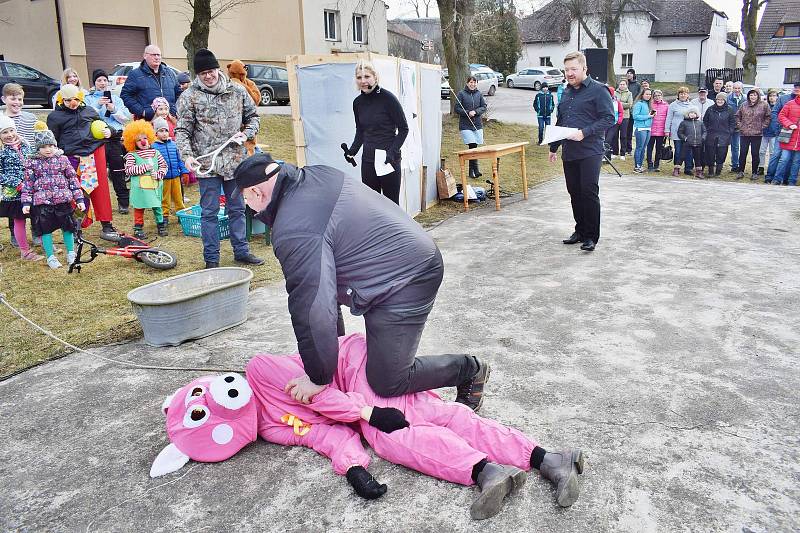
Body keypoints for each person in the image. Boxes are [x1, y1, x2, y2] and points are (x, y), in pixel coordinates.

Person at [151, 333, 586, 518]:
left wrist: (368, 415)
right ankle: (548, 459)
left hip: (352, 363)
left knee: (389, 435)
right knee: (439, 414)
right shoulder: (270, 428)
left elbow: (319, 393)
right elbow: (322, 434)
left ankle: (484, 471)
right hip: (355, 396)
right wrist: (353, 467)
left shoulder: (259, 368)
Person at [231, 153, 491, 410]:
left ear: (256, 192)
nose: (247, 207)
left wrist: (317, 377)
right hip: (395, 262)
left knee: (388, 380)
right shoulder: (316, 175)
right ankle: (333, 366)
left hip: (408, 278)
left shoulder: (295, 229)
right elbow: (325, 292)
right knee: (328, 316)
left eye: (244, 199)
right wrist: (329, 365)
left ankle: (469, 370)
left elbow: (311, 306)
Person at [175, 48, 263, 269]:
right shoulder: (189, 97)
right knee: (210, 212)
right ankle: (211, 259)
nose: (208, 75)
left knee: (237, 208)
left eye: (211, 70)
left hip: (235, 160)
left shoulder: (237, 91)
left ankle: (241, 251)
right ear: (198, 75)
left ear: (217, 69)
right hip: (207, 164)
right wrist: (186, 156)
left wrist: (248, 133)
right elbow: (182, 131)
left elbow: (253, 117)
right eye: (203, 72)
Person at [548, 51, 615, 252]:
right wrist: (553, 147)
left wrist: (585, 133)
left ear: (584, 69)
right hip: (569, 152)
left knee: (588, 192)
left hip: (590, 151)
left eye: (573, 69)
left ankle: (591, 236)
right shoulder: (566, 91)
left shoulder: (599, 90)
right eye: (566, 69)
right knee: (574, 193)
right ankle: (580, 230)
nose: (569, 73)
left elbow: (608, 118)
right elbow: (562, 121)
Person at [46, 84, 120, 241]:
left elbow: (104, 126)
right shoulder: (54, 117)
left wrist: (110, 131)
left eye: (75, 99)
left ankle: (106, 225)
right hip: (72, 157)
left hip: (95, 153)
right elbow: (52, 140)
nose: (72, 103)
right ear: (61, 100)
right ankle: (76, 226)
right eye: (67, 100)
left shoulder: (89, 111)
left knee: (101, 191)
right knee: (77, 192)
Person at [344, 61, 409, 205]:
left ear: (375, 77)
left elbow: (404, 129)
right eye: (359, 77)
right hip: (368, 161)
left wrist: (392, 152)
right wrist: (352, 151)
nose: (363, 81)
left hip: (387, 160)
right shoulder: (358, 103)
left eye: (367, 76)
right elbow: (361, 130)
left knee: (391, 207)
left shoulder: (388, 99)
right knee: (371, 206)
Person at [21, 128, 85, 269]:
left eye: (50, 146)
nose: (48, 149)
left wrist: (79, 199)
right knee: (45, 230)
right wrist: (26, 201)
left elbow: (73, 179)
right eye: (43, 147)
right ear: (37, 148)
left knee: (68, 228)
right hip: (42, 202)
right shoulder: (31, 162)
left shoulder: (63, 159)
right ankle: (50, 256)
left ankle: (71, 253)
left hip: (63, 200)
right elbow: (27, 183)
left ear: (55, 145)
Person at [84, 69, 132, 214]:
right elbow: (87, 117)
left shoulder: (116, 99)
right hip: (96, 140)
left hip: (114, 138)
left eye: (104, 80)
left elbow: (125, 118)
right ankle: (95, 205)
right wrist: (98, 105)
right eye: (99, 80)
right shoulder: (89, 98)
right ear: (94, 83)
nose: (102, 83)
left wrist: (113, 109)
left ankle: (123, 202)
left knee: (118, 171)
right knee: (96, 173)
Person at [0, 116, 42, 261]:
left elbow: (34, 161)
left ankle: (44, 242)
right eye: (4, 132)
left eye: (11, 130)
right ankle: (24, 251)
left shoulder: (26, 145)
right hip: (15, 192)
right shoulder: (2, 152)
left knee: (38, 215)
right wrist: (17, 183)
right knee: (19, 220)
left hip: (32, 189)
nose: (10, 135)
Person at [2, 82, 38, 248]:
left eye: (19, 99)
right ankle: (14, 234)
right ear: (4, 99)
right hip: (11, 171)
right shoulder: (2, 120)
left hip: (29, 164)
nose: (16, 102)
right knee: (15, 205)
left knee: (35, 203)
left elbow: (36, 140)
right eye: (12, 98)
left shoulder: (30, 117)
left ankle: (37, 231)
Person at [122, 120, 167, 238]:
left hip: (154, 185)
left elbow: (164, 166)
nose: (143, 141)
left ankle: (161, 225)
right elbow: (129, 170)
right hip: (140, 189)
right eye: (138, 140)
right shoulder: (132, 155)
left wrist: (158, 174)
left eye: (145, 138)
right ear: (133, 142)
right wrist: (144, 167)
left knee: (157, 206)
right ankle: (138, 228)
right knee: (139, 207)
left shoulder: (156, 153)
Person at [120, 44, 181, 121]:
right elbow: (126, 95)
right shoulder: (135, 74)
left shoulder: (170, 73)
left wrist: (174, 109)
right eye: (153, 55)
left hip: (170, 120)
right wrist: (142, 111)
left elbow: (179, 94)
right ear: (145, 56)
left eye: (159, 55)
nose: (157, 57)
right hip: (147, 122)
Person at [152, 117, 187, 224]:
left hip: (176, 176)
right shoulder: (153, 147)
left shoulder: (173, 144)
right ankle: (164, 216)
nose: (164, 133)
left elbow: (179, 159)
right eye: (161, 131)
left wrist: (184, 171)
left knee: (178, 197)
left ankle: (181, 214)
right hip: (163, 178)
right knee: (164, 198)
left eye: (166, 130)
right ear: (156, 133)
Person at [764, 83, 798, 185]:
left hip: (796, 135)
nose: (797, 89)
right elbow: (775, 113)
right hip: (782, 131)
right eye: (795, 87)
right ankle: (770, 177)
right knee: (777, 155)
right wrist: (778, 127)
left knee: (791, 159)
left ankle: (786, 179)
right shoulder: (784, 99)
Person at [226, 60, 262, 155]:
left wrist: (243, 87)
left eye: (242, 74)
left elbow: (256, 100)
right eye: (234, 74)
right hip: (231, 123)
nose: (239, 77)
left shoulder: (249, 84)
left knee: (249, 149)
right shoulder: (226, 84)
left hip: (246, 123)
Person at [455, 76, 487, 178]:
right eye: (471, 82)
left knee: (474, 147)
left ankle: (471, 171)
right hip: (465, 125)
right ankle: (476, 170)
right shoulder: (461, 94)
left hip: (477, 124)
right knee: (472, 145)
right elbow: (457, 108)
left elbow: (484, 107)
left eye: (474, 82)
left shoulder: (479, 94)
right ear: (467, 83)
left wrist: (476, 112)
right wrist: (468, 112)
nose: (472, 84)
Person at [735, 88, 771, 180]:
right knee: (743, 153)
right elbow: (737, 116)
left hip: (757, 134)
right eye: (751, 95)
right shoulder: (744, 105)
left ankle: (754, 172)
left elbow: (768, 117)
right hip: (744, 133)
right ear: (748, 96)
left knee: (755, 153)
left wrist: (762, 126)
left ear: (758, 95)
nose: (753, 97)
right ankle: (740, 171)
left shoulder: (764, 105)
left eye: (755, 95)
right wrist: (740, 126)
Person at [703, 92, 736, 177]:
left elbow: (732, 123)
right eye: (718, 99)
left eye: (722, 99)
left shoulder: (730, 110)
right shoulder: (710, 109)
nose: (720, 101)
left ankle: (718, 171)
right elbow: (705, 121)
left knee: (721, 154)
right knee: (710, 154)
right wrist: (706, 131)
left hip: (724, 136)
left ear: (725, 100)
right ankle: (710, 171)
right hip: (711, 135)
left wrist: (729, 132)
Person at [772, 88, 800, 186]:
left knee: (796, 162)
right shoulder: (790, 103)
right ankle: (777, 179)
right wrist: (789, 124)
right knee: (783, 159)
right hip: (788, 137)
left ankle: (791, 181)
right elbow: (781, 116)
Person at [665, 87, 692, 176]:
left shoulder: (691, 105)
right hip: (676, 131)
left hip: (688, 132)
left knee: (688, 151)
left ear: (687, 95)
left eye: (685, 93)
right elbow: (669, 118)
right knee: (678, 150)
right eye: (681, 93)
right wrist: (667, 130)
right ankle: (677, 168)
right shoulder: (673, 105)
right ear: (678, 95)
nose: (683, 95)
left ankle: (688, 168)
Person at [677, 106, 706, 178]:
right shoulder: (684, 123)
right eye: (691, 113)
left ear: (697, 114)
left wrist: (702, 138)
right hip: (687, 143)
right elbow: (680, 133)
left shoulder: (700, 123)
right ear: (688, 114)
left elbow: (704, 131)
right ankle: (676, 169)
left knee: (698, 158)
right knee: (682, 156)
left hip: (698, 143)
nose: (692, 114)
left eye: (694, 113)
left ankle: (698, 172)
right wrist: (685, 138)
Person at [631, 88, 654, 174]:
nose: (648, 96)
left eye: (649, 94)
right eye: (646, 94)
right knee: (639, 147)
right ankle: (637, 166)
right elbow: (635, 116)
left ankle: (640, 165)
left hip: (648, 128)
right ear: (642, 94)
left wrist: (652, 115)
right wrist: (648, 116)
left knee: (643, 148)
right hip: (640, 128)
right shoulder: (639, 104)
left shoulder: (649, 105)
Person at [646, 89, 669, 172]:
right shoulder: (650, 104)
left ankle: (656, 165)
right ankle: (649, 164)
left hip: (661, 130)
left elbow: (668, 118)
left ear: (662, 96)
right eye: (655, 95)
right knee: (649, 148)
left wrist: (667, 130)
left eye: (659, 95)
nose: (657, 97)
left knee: (659, 149)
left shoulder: (666, 105)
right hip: (651, 130)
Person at [758, 91, 779, 177]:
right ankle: (761, 167)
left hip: (774, 133)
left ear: (777, 97)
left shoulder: (779, 107)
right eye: (770, 96)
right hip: (764, 132)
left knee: (772, 152)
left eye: (774, 96)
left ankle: (771, 168)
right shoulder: (764, 106)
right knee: (761, 151)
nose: (772, 98)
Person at [727, 82, 745, 172]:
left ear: (742, 89)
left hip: (740, 127)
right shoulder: (728, 98)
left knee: (736, 146)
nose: (737, 90)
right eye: (735, 88)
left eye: (739, 88)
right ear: (732, 88)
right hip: (728, 126)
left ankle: (735, 165)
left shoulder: (745, 99)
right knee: (724, 146)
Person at [624, 70, 641, 156]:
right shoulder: (624, 83)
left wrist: (633, 104)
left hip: (632, 109)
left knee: (629, 130)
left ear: (634, 75)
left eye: (631, 73)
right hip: (623, 110)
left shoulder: (637, 85)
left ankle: (629, 148)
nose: (629, 75)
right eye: (628, 73)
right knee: (623, 130)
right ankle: (622, 148)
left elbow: (639, 95)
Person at [603, 86, 623, 160]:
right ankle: (605, 155)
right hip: (605, 124)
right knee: (604, 139)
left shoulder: (617, 102)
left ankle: (607, 157)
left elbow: (621, 112)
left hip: (614, 124)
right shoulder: (603, 101)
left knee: (608, 140)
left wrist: (619, 121)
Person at [533, 81, 554, 146]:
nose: (545, 88)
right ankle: (540, 141)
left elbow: (552, 104)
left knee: (548, 129)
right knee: (541, 128)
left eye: (546, 87)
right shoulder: (538, 95)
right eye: (544, 87)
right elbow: (535, 104)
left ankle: (549, 141)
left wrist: (551, 110)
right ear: (542, 88)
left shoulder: (550, 95)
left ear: (547, 88)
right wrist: (538, 110)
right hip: (540, 116)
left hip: (548, 115)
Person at [616, 79, 633, 159]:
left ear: (626, 85)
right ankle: (615, 152)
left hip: (625, 116)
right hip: (615, 116)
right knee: (614, 135)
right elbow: (611, 102)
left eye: (623, 84)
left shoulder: (629, 93)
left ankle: (623, 153)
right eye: (620, 84)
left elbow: (629, 104)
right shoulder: (615, 93)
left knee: (623, 135)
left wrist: (618, 103)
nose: (622, 86)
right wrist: (622, 104)